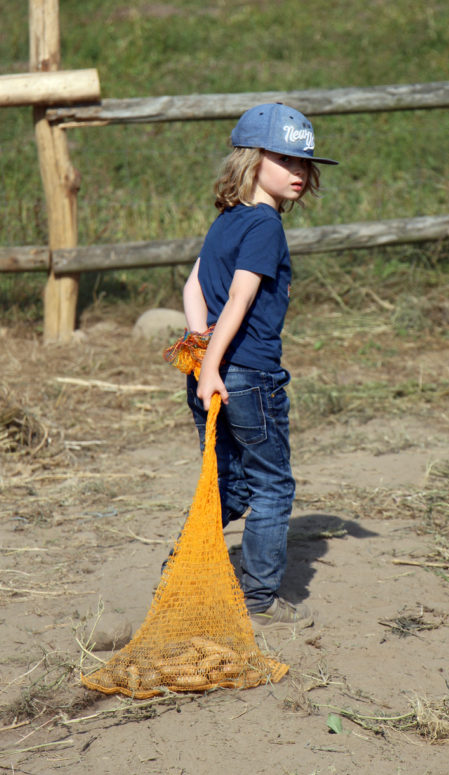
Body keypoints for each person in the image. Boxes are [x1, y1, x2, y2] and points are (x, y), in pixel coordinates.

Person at [182, 102, 338, 628]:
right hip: (247, 376)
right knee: (272, 487)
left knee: (231, 485)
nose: (299, 173)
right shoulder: (266, 226)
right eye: (286, 160)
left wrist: (200, 350)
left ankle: (183, 566)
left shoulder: (225, 221)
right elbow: (240, 301)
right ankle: (258, 602)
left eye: (305, 164)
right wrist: (213, 365)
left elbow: (193, 287)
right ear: (252, 160)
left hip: (213, 371)